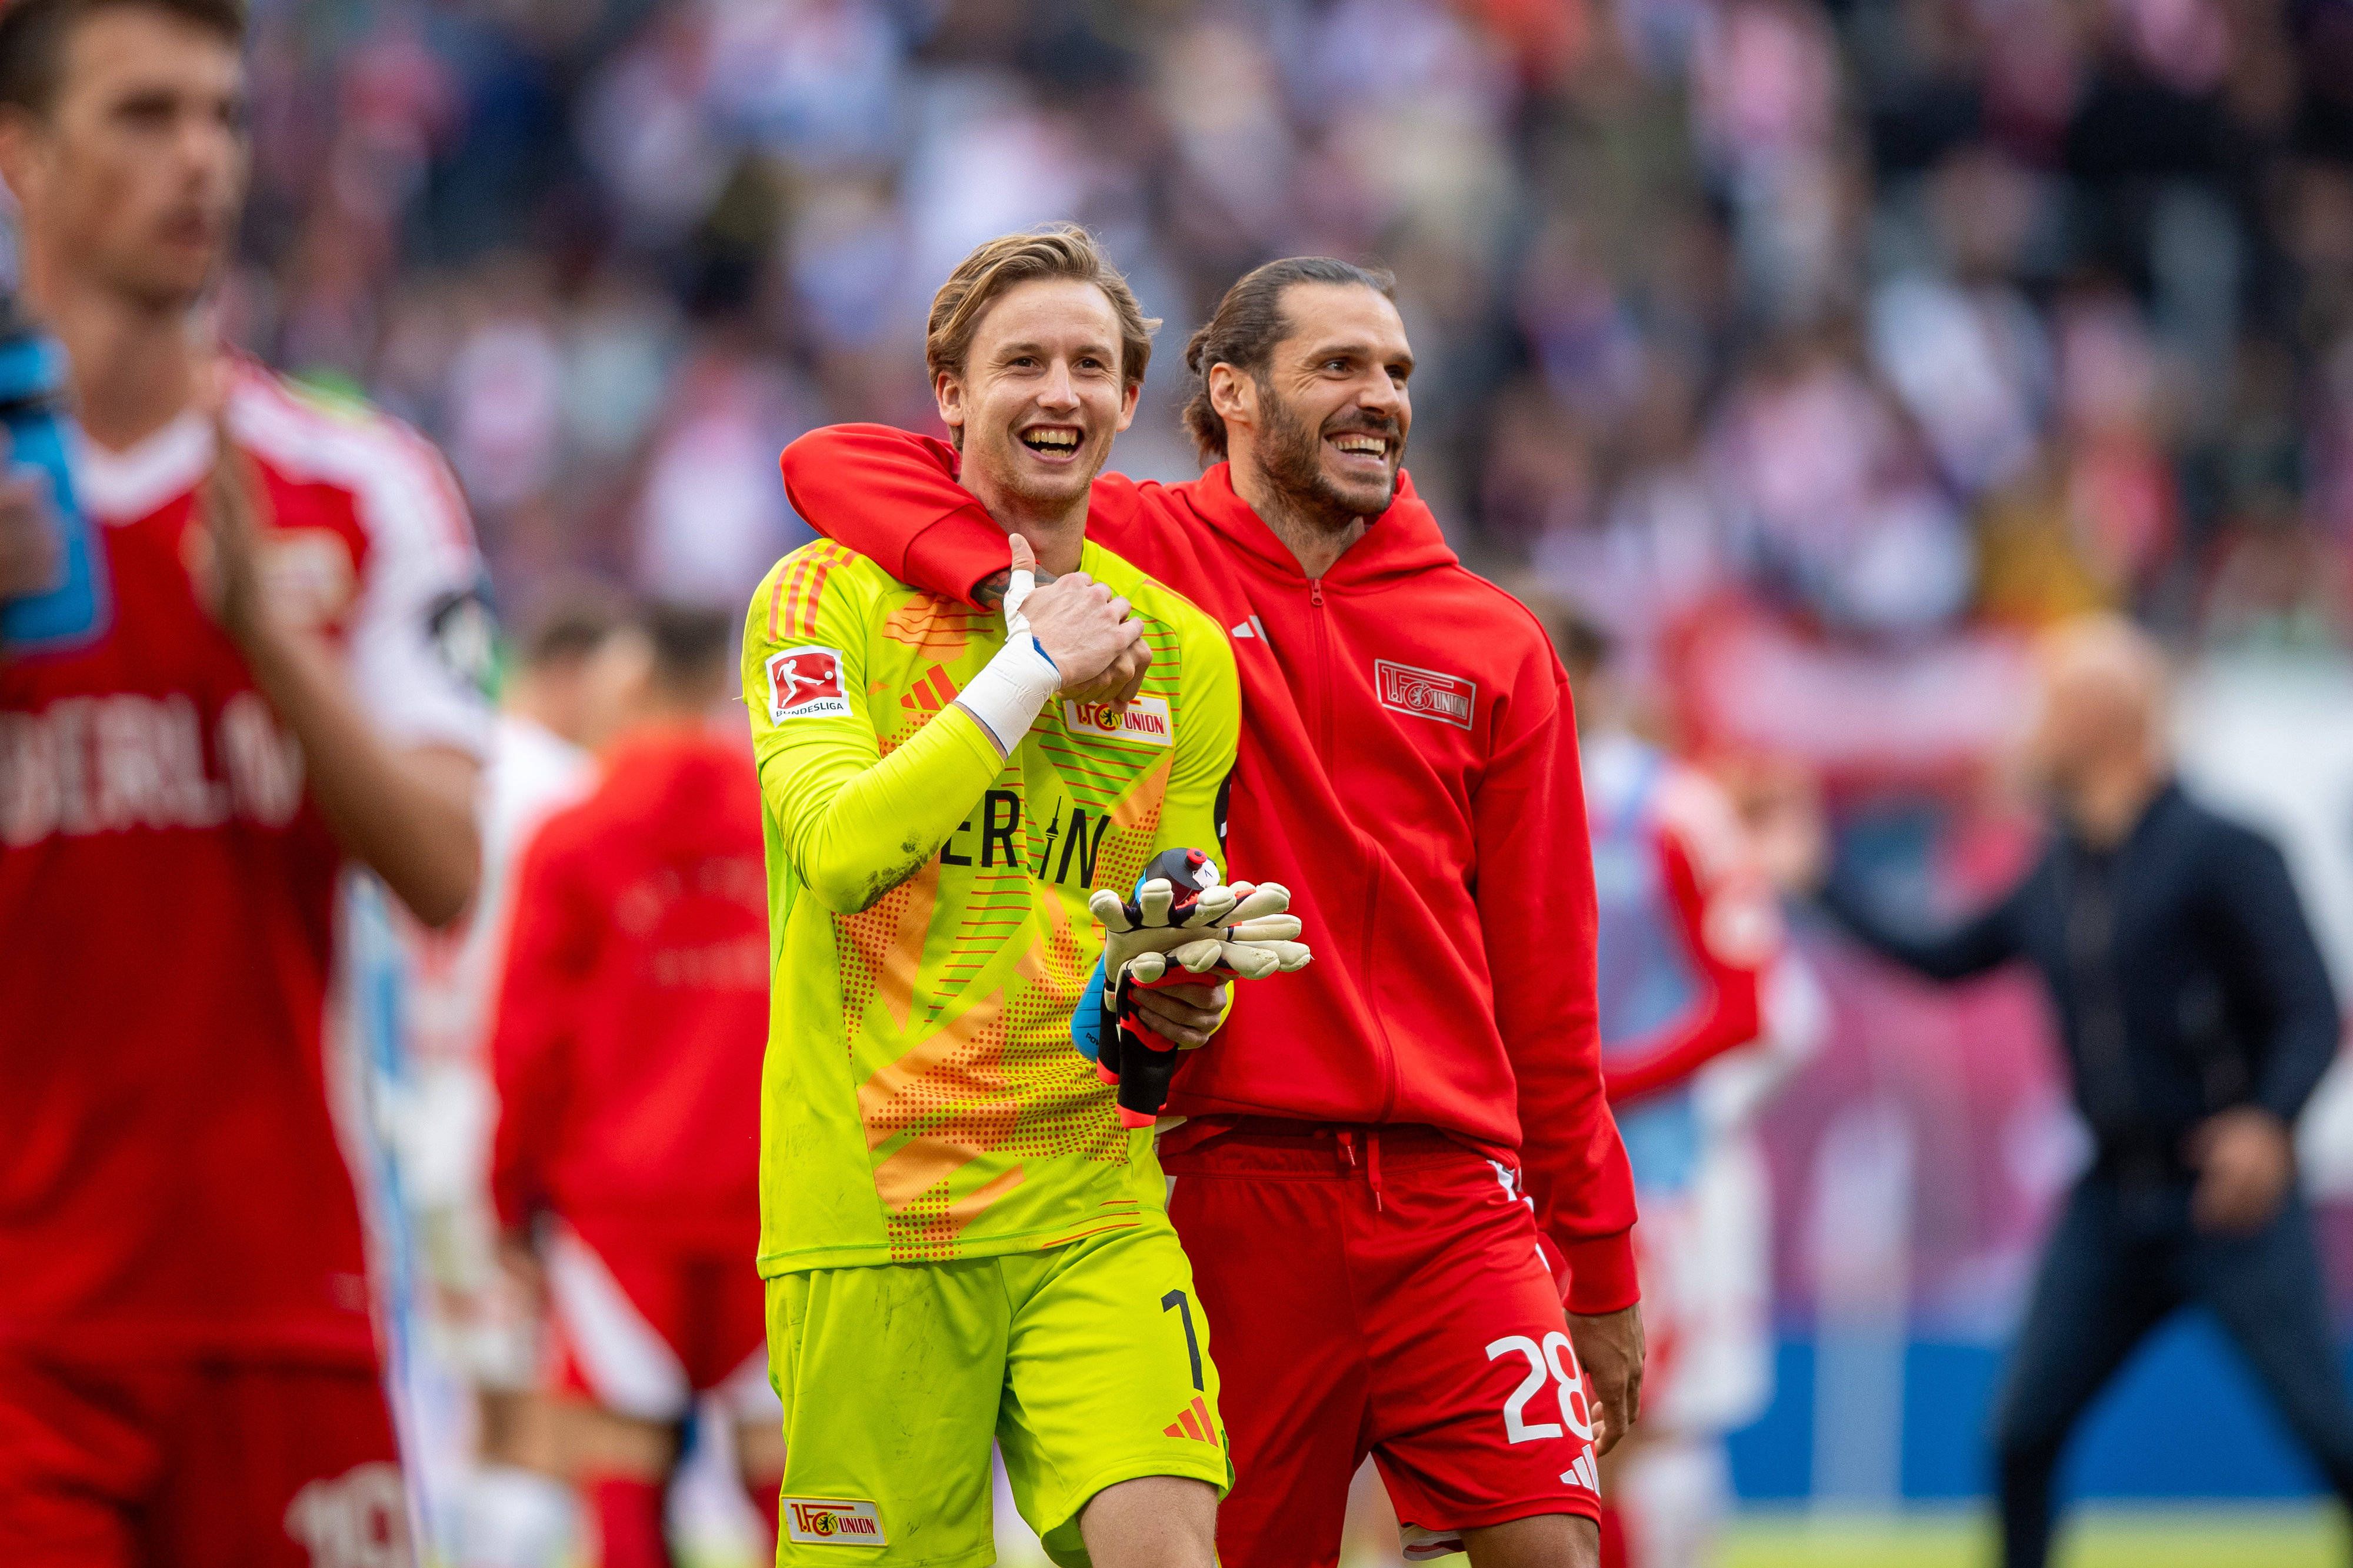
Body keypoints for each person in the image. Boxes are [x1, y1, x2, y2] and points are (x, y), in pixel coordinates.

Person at [780, 253, 1642, 1568]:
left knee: (1552, 1547)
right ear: (1227, 392)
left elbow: (1549, 990)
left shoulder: (1493, 643)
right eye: (1338, 368)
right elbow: (836, 465)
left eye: (1396, 372)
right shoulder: (1132, 551)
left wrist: (1601, 1264)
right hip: (1224, 1179)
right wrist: (1012, 595)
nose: (1378, 399)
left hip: (1451, 1195)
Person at [0, 1, 492, 1563]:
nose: (201, 159)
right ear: (21, 152)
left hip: (292, 1311)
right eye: (144, 116)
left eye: (219, 115)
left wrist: (278, 655)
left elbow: (445, 870)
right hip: (21, 1334)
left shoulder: (360, 487)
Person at [744, 226, 1304, 1568]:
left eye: (1089, 366)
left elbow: (1147, 934)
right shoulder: (818, 596)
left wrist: (1175, 992)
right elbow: (839, 849)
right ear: (949, 391)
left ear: (1126, 402)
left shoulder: (1173, 650)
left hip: (1087, 1202)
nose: (1057, 391)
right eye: (1021, 363)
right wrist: (1024, 670)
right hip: (876, 1218)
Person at [1768, 613, 2352, 1568]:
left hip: (2229, 1197)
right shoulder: (2059, 871)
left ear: (2112, 715)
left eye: (2052, 700)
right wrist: (1818, 877)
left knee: (2329, 1435)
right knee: (2021, 1436)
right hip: (2116, 1196)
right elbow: (1941, 957)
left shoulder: (2225, 848)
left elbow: (2311, 1010)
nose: (2031, 720)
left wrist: (2270, 1123)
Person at [488, 602, 782, 1567]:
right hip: (775, 1207)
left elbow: (527, 1041)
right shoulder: (785, 818)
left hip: (619, 1219)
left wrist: (508, 1199)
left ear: (630, 675)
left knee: (621, 1505)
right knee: (801, 1503)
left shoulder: (575, 833)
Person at [1549, 610, 1821, 1568]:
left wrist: (1593, 1085)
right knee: (1556, 1433)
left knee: (1638, 1421)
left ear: (1586, 670)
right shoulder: (1473, 795)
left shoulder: (1667, 810)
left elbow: (1755, 1008)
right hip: (1522, 1165)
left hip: (1659, 1175)